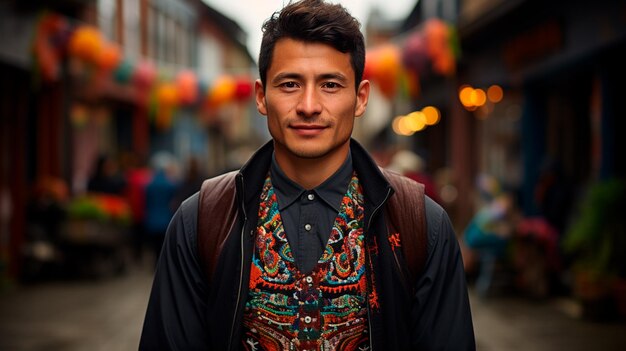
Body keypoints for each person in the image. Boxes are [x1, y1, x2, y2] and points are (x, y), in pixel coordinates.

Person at [140, 1, 475, 350]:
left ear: (360, 98)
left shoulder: (421, 224)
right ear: (261, 96)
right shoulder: (202, 221)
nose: (309, 105)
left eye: (330, 85)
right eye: (289, 84)